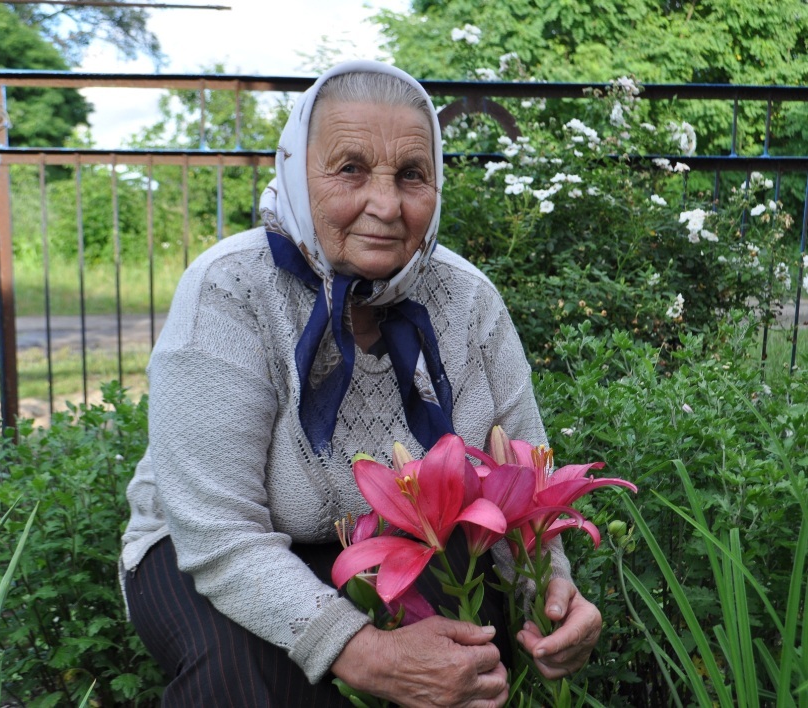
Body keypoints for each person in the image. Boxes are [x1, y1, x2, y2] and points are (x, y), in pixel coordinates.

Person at [121, 60, 602, 707]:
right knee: (242, 677)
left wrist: (549, 591)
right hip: (209, 548)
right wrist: (363, 653)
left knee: (465, 660)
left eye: (411, 175)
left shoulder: (467, 300)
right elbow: (216, 529)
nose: (385, 204)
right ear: (296, 171)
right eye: (350, 169)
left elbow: (522, 488)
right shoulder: (229, 289)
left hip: (405, 546)